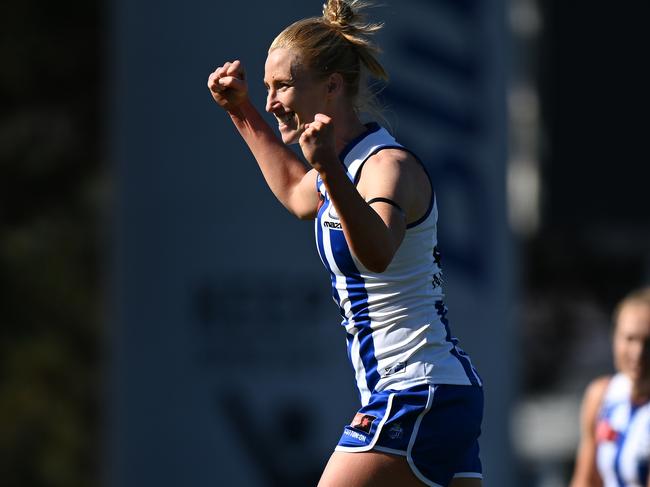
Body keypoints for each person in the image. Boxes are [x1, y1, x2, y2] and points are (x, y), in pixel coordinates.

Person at [207, 1, 483, 485]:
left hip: (416, 390)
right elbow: (298, 193)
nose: (272, 101)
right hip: (435, 392)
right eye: (267, 88)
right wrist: (240, 110)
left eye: (283, 86)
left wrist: (329, 170)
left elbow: (377, 253)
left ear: (332, 86)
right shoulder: (345, 164)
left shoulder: (384, 167)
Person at [570, 286, 650, 487]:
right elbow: (585, 480)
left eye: (648, 342)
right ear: (615, 338)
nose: (638, 353)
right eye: (630, 339)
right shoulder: (601, 395)